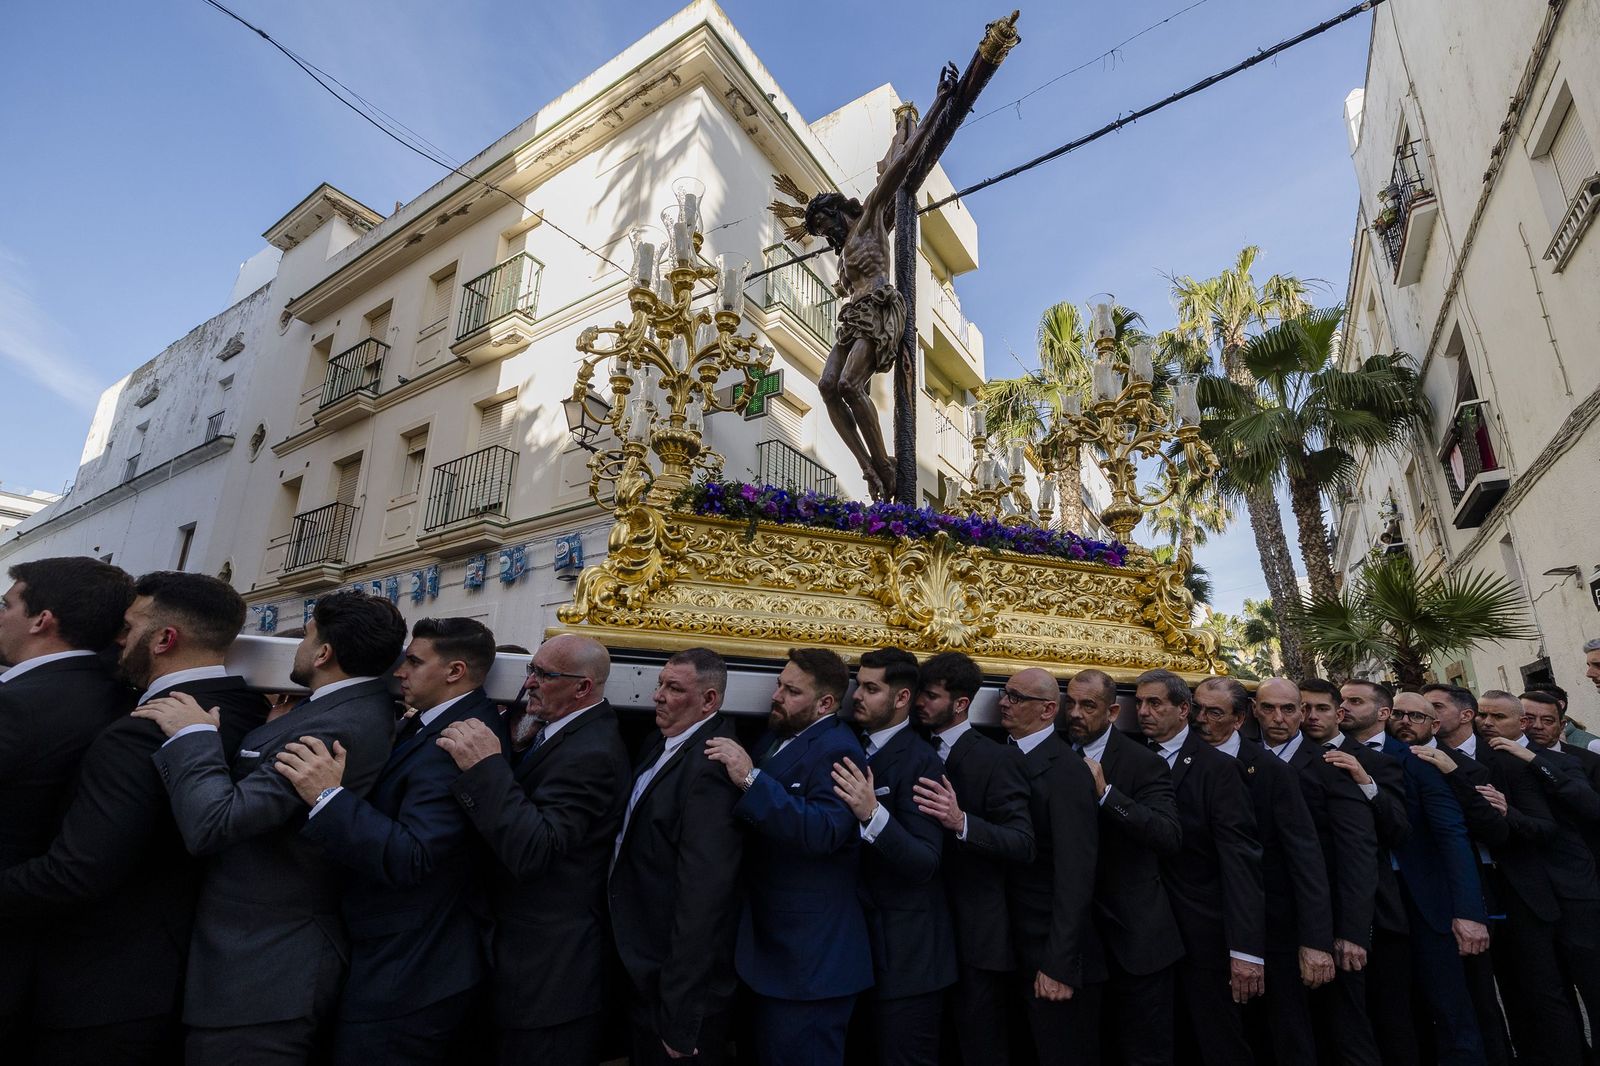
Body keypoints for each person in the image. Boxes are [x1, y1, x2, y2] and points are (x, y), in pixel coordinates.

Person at [0, 571, 266, 1065]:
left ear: (165, 639)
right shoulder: (246, 708)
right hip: (176, 976)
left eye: (127, 626)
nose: (116, 638)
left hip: (96, 991)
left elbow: (76, 872)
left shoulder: (139, 734)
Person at [136, 589, 404, 1065]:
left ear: (323, 653)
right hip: (252, 966)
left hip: (264, 974)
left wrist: (194, 736)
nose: (298, 648)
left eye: (305, 636)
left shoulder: (336, 725)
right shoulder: (337, 708)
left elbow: (215, 824)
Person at [273, 616, 507, 1065]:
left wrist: (328, 796)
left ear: (455, 672)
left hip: (411, 973)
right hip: (397, 959)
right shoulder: (430, 723)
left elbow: (412, 854)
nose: (399, 671)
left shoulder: (457, 741)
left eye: (414, 661)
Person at [440, 632, 627, 1065]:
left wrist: (486, 767)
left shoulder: (593, 752)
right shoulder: (557, 731)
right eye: (530, 670)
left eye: (543, 674)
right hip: (519, 968)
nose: (528, 684)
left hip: (551, 981)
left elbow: (534, 850)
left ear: (583, 687)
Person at [704, 647, 872, 1066]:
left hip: (810, 969)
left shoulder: (838, 749)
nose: (776, 695)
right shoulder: (780, 736)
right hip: (768, 955)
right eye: (779, 683)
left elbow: (825, 831)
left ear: (826, 704)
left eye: (791, 691)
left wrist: (750, 779)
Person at [0, 557, 135, 1053]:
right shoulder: (116, 695)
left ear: (42, 619)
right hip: (51, 961)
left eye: (7, 604)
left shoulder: (19, 704)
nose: (0, 615)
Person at [1410, 685, 1582, 1066]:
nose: (1426, 715)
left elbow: (1543, 827)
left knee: (1541, 995)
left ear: (1463, 714)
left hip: (1521, 894)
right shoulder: (1421, 761)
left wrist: (1508, 813)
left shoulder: (1506, 760)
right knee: (1481, 998)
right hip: (1465, 894)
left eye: (1434, 707)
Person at [609, 648, 744, 1065]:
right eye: (660, 684)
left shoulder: (711, 768)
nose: (657, 696)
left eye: (674, 688)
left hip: (674, 989)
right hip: (642, 970)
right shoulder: (658, 741)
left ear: (708, 700)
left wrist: (681, 1012)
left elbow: (703, 900)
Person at [1340, 681, 1486, 1066]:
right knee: (1394, 1014)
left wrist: (1469, 911)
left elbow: (1451, 836)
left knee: (1450, 1009)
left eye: (1414, 715)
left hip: (1424, 901)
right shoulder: (1330, 755)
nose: (1405, 721)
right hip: (1370, 905)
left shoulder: (1420, 760)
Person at [1192, 677, 1333, 1066]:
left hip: (1275, 930)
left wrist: (1316, 940)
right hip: (1209, 930)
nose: (1201, 720)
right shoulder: (1185, 761)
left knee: (1286, 1036)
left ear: (1238, 718)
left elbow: (1305, 858)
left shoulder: (1270, 771)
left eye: (1213, 712)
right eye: (1197, 709)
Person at [1133, 669, 1262, 1066]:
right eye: (1138, 703)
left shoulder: (1218, 769)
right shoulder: (1130, 760)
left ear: (1183, 710)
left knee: (1218, 1041)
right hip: (1145, 936)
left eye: (1154, 703)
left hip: (1204, 936)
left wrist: (1245, 950)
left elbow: (1239, 860)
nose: (1142, 712)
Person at [834, 648, 956, 1066]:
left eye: (871, 688)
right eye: (858, 686)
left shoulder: (921, 762)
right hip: (861, 955)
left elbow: (924, 861)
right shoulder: (850, 743)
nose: (858, 696)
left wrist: (872, 813)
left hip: (909, 963)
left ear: (902, 698)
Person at [911, 651, 1034, 1066]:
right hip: (924, 930)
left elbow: (1021, 842)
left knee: (979, 1043)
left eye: (930, 696)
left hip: (978, 937)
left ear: (960, 704)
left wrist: (962, 821)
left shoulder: (997, 758)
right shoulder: (912, 747)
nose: (919, 703)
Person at [1254, 678, 1380, 1066]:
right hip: (1267, 925)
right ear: (1255, 711)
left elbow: (1357, 855)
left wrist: (1350, 933)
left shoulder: (1333, 767)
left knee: (1346, 1036)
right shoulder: (1242, 762)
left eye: (1289, 709)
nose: (1279, 718)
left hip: (1329, 929)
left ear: (1300, 714)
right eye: (1269, 708)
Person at [1061, 668, 1183, 1066]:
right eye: (1071, 703)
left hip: (1137, 940)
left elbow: (1167, 835)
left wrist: (1107, 795)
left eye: (1088, 706)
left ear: (1112, 712)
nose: (1076, 713)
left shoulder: (1143, 763)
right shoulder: (1056, 753)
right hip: (1077, 942)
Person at [1482, 688, 1600, 1052]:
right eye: (1529, 718)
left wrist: (1532, 759)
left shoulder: (1564, 761)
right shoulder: (1483, 761)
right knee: (1546, 997)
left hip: (1573, 890)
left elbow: (1589, 807)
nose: (1535, 726)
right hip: (1524, 898)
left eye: (1543, 720)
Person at [999, 667, 1103, 1064]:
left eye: (1016, 697)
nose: (1004, 702)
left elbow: (1076, 873)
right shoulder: (1003, 754)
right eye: (1005, 693)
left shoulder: (1066, 770)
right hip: (1014, 948)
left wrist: (1059, 964)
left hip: (1053, 956)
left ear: (1047, 710)